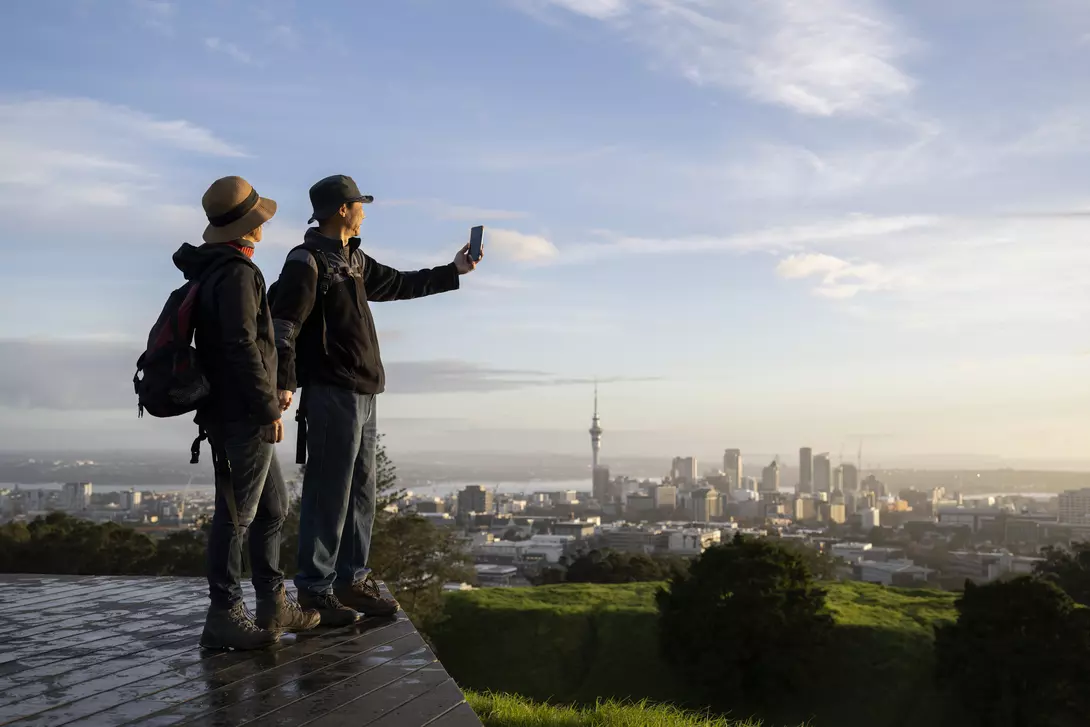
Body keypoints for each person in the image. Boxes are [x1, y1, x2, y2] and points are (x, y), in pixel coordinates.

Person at [270, 174, 479, 625]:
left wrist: (454, 270)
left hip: (363, 390)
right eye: (359, 203)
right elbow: (283, 324)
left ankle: (352, 580)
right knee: (329, 491)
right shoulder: (306, 261)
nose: (364, 209)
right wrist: (284, 382)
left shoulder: (355, 259)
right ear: (343, 210)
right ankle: (314, 589)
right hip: (330, 389)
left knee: (361, 492)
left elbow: (399, 283)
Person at [175, 176, 321, 650]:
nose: (264, 226)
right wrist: (266, 407)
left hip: (231, 407)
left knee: (271, 509)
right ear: (248, 226)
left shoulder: (215, 268)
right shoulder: (237, 272)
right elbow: (241, 346)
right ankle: (225, 613)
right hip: (242, 412)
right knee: (237, 516)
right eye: (259, 219)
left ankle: (273, 603)